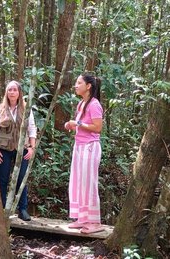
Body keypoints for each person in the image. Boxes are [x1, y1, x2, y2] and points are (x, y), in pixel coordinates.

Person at [64, 73, 104, 234]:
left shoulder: (94, 104)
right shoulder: (81, 104)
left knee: (89, 183)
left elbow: (97, 127)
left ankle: (95, 222)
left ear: (88, 86)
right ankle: (82, 218)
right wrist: (72, 125)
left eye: (79, 82)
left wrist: (78, 123)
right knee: (78, 182)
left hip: (90, 147)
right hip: (79, 146)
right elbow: (82, 125)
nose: (76, 85)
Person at [0, 80, 37, 221]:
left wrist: (32, 147)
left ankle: (22, 209)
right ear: (6, 92)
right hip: (3, 148)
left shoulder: (26, 108)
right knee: (2, 179)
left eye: (14, 90)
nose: (12, 92)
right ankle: (2, 209)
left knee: (20, 179)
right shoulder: (0, 108)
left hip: (21, 148)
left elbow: (32, 128)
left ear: (19, 93)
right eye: (9, 89)